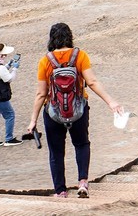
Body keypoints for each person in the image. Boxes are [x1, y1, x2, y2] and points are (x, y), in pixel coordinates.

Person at [26, 23, 124, 199]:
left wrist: (33, 120)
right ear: (69, 36)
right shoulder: (80, 56)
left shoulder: (45, 61)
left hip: (53, 112)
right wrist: (111, 102)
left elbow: (41, 94)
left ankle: (61, 191)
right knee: (81, 144)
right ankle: (83, 182)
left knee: (56, 151)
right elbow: (92, 82)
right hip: (78, 109)